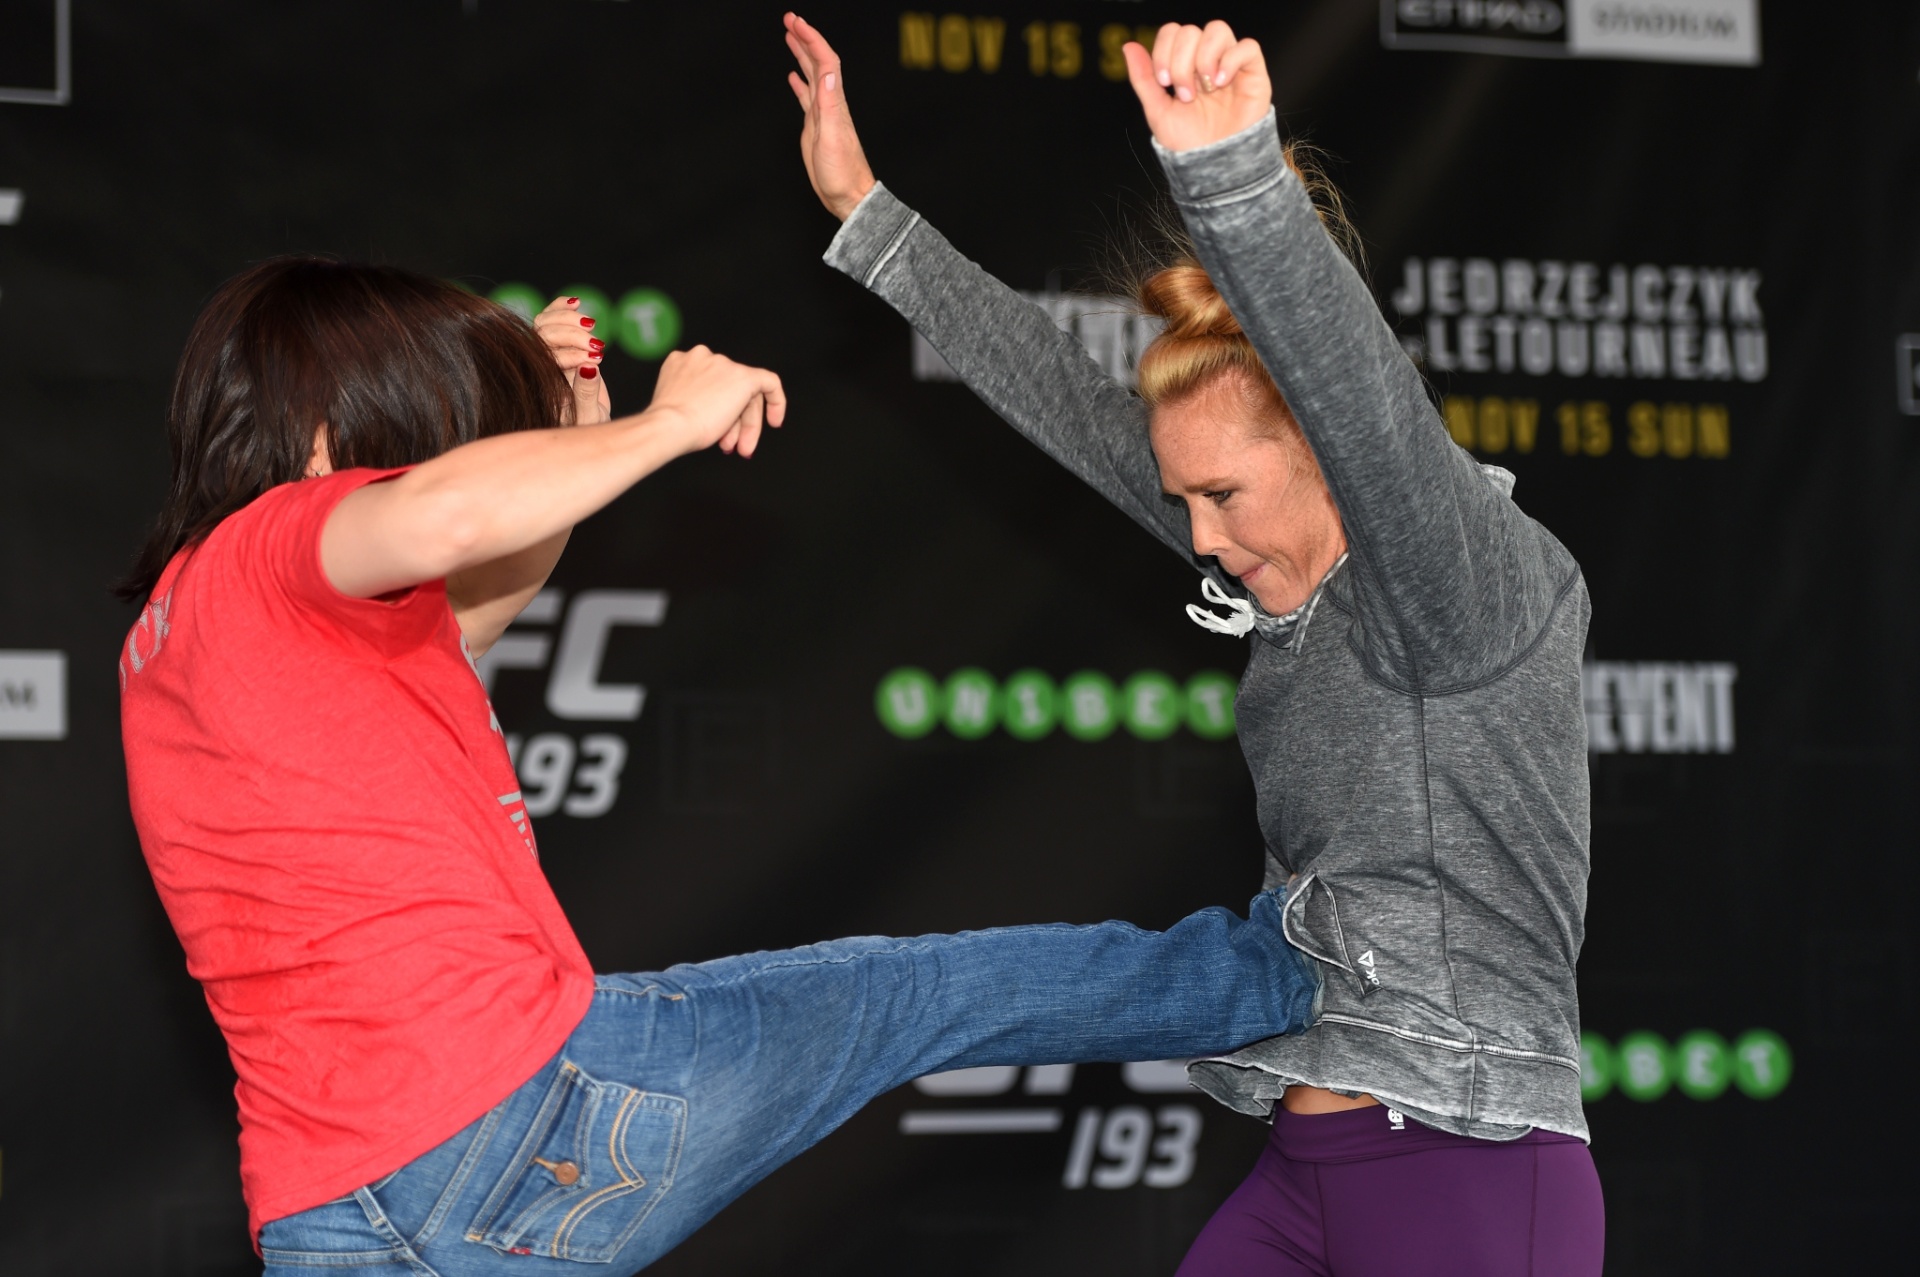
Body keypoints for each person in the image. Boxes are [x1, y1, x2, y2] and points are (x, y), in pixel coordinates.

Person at [117, 255, 1320, 1275]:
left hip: (333, 1211)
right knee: (918, 993)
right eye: (412, 430)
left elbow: (468, 607)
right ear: (328, 441)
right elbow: (441, 519)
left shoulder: (181, 635)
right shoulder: (277, 537)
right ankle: (1300, 975)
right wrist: (664, 424)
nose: (431, 455)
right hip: (519, 1118)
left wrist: (567, 438)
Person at [787, 11, 1604, 1274]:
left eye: (1223, 494)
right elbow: (1064, 399)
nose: (1200, 535)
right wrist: (865, 212)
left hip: (1468, 1152)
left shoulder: (1463, 585)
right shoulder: (1303, 586)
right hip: (1306, 1155)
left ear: (1329, 457)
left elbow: (1366, 397)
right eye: (1184, 501)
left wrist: (1235, 180)